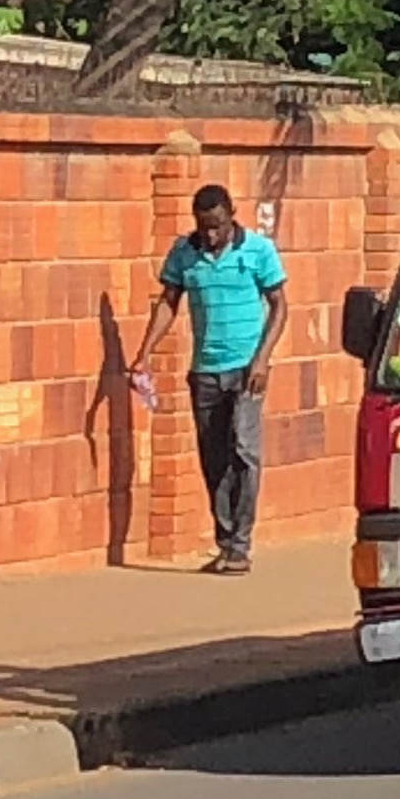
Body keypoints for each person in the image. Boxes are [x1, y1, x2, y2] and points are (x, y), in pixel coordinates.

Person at [140, 183, 289, 574]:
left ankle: (241, 544)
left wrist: (262, 360)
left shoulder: (258, 251)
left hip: (246, 371)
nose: (210, 235)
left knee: (244, 451)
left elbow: (279, 307)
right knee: (214, 458)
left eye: (217, 226)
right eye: (204, 226)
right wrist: (144, 354)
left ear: (232, 215)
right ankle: (225, 542)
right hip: (205, 371)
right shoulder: (185, 254)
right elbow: (168, 303)